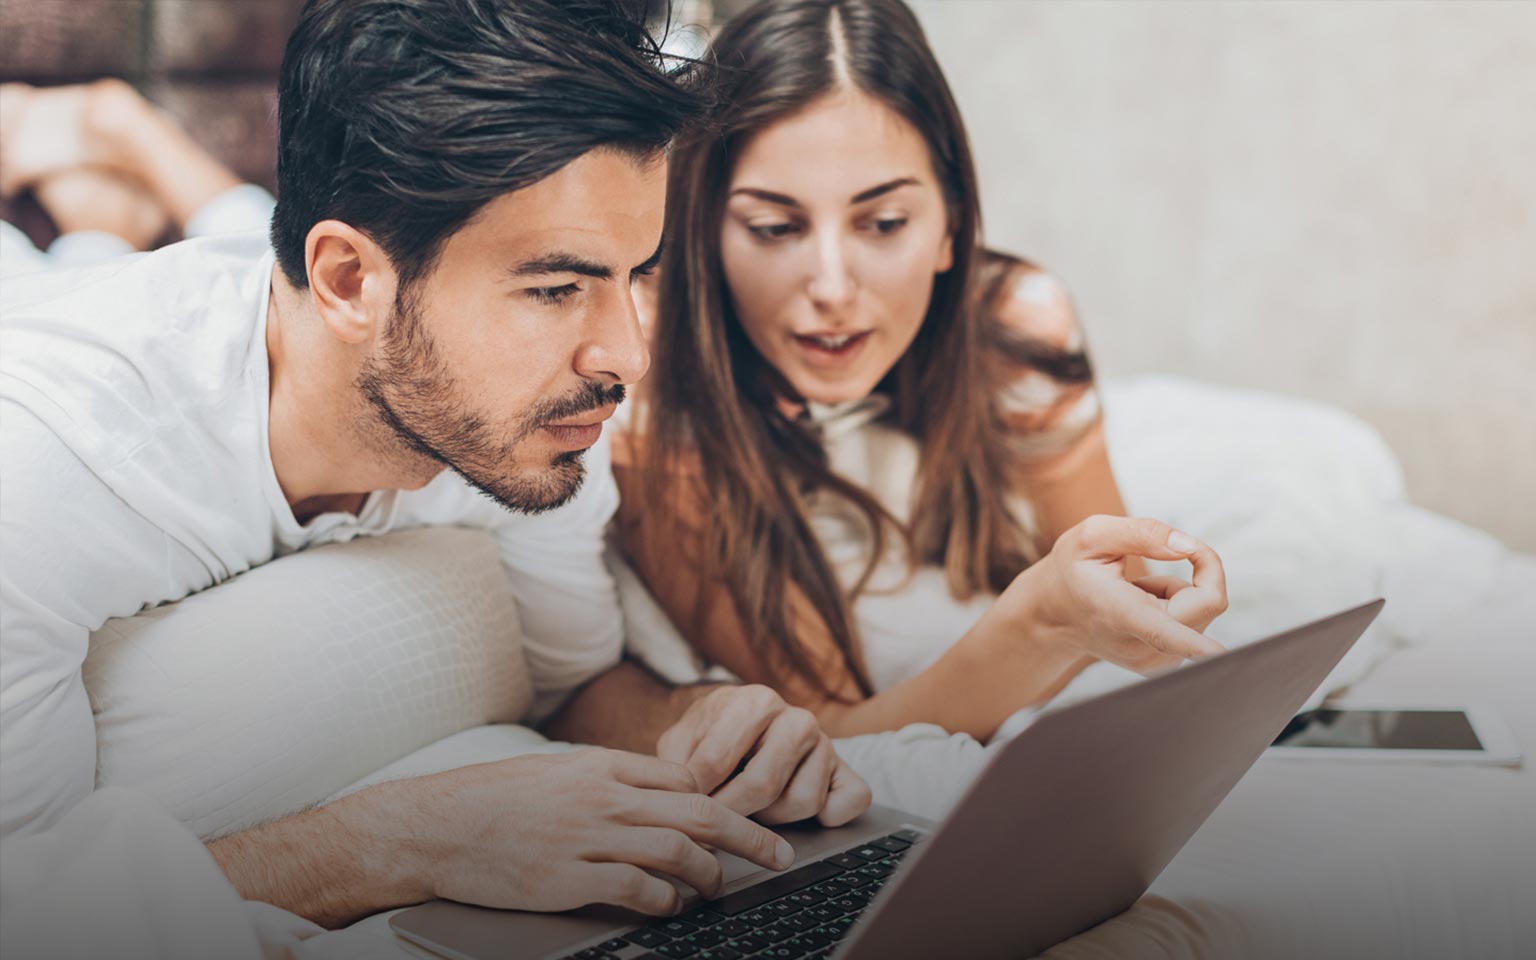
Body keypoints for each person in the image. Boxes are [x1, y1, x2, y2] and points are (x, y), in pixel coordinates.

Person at [0, 0, 871, 930]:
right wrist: (404, 840)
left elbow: (572, 684)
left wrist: (702, 727)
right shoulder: (45, 476)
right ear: (346, 280)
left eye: (635, 274)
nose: (625, 357)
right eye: (555, 288)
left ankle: (100, 210)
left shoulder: (541, 411)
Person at [615, 0, 1229, 742]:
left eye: (883, 224)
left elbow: (1125, 601)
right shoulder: (646, 388)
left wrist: (1134, 617)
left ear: (951, 225)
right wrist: (1044, 623)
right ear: (707, 232)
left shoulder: (1014, 327)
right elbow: (833, 730)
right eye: (775, 227)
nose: (833, 287)